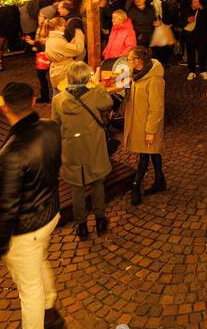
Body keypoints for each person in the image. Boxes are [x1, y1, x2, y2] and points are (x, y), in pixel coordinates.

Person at [0, 81, 63, 329]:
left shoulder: (9, 155)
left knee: (28, 288)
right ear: (34, 100)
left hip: (26, 228)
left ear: (5, 108)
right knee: (40, 264)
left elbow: (6, 207)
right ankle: (50, 310)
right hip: (50, 214)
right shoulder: (51, 128)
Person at [55, 62, 114, 237]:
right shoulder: (95, 95)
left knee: (77, 187)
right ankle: (100, 219)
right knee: (97, 183)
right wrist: (97, 84)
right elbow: (108, 102)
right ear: (87, 78)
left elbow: (55, 124)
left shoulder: (58, 100)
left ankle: (81, 225)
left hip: (72, 147)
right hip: (93, 145)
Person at [123, 47, 166, 205]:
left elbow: (157, 108)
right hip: (139, 122)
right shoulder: (136, 75)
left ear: (137, 61)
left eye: (129, 59)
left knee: (144, 155)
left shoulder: (154, 80)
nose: (127, 62)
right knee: (152, 152)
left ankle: (136, 186)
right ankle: (160, 181)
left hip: (147, 125)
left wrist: (150, 131)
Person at [45, 11, 87, 90]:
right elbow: (78, 50)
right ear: (57, 27)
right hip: (63, 71)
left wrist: (74, 40)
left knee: (57, 92)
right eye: (63, 26)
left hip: (56, 70)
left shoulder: (51, 38)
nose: (65, 28)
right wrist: (79, 35)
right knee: (65, 93)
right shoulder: (58, 41)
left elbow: (66, 49)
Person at [182, 0, 207, 80]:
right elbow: (179, 22)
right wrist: (187, 20)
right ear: (191, 4)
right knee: (190, 53)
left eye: (198, 2)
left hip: (201, 35)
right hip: (189, 35)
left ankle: (202, 70)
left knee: (202, 53)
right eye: (195, 2)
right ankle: (192, 71)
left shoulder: (203, 10)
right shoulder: (186, 11)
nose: (197, 4)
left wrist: (203, 9)